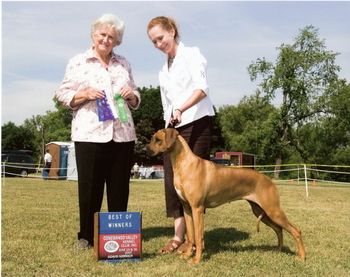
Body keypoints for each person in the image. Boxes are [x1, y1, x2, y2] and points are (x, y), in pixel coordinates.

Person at [55, 14, 140, 249]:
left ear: (117, 41)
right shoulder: (78, 61)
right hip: (90, 134)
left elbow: (135, 93)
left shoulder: (123, 63)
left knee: (119, 188)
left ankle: (118, 237)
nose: (106, 39)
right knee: (90, 188)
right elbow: (62, 92)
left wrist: (131, 95)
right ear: (93, 35)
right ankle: (86, 236)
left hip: (122, 134)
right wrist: (84, 94)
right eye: (102, 34)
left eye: (111, 36)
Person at [147, 16, 215, 254]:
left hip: (196, 123)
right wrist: (167, 125)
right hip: (172, 129)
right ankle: (178, 236)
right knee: (172, 184)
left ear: (172, 31)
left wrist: (181, 109)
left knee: (193, 186)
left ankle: (196, 240)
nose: (158, 44)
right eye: (154, 42)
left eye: (161, 38)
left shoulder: (193, 55)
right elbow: (167, 104)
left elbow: (202, 90)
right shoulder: (162, 70)